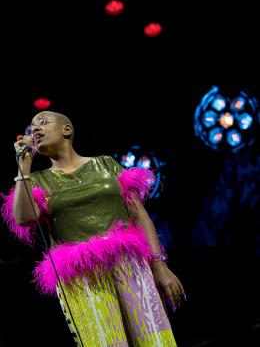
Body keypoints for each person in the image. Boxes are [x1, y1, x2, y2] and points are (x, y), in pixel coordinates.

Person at [1, 110, 186, 346]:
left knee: (153, 338)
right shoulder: (38, 179)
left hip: (129, 264)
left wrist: (159, 265)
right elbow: (25, 219)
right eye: (31, 127)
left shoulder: (105, 163)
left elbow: (140, 216)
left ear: (67, 129)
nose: (35, 129)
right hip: (80, 275)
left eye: (43, 122)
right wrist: (24, 168)